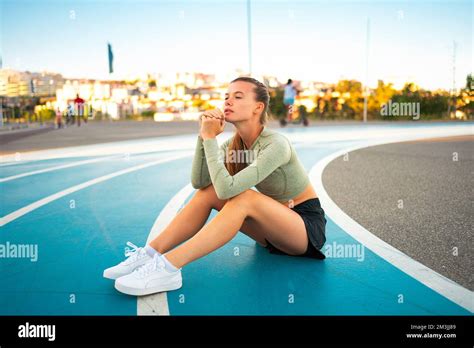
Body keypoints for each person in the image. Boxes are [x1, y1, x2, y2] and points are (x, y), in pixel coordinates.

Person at [103, 77, 327, 296]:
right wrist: (204, 137)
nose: (228, 101)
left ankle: (169, 268)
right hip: (273, 233)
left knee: (244, 198)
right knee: (208, 192)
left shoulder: (276, 144)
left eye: (238, 97)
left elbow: (227, 190)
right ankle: (150, 254)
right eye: (226, 97)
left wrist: (211, 139)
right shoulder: (234, 145)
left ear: (258, 107)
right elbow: (200, 182)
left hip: (304, 230)